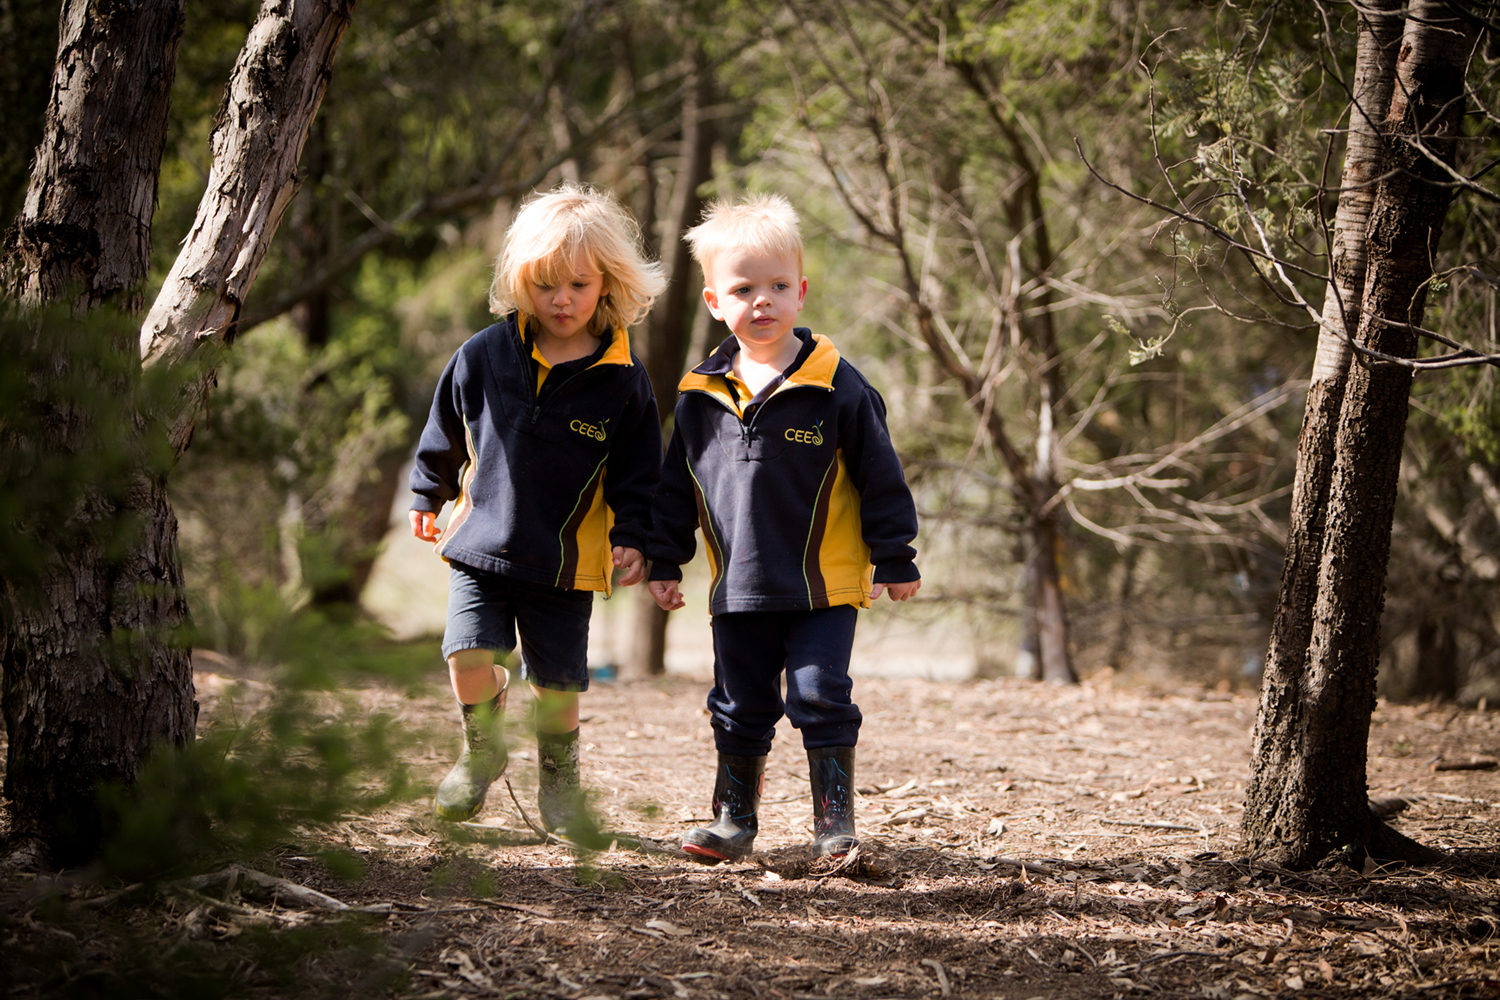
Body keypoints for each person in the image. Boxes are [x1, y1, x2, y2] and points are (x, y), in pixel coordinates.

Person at [645, 193, 921, 863]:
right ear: (715, 302)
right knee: (738, 703)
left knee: (820, 694)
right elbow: (676, 487)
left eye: (776, 287)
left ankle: (835, 823)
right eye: (743, 289)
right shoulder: (698, 397)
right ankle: (733, 819)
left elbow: (881, 475)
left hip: (824, 585)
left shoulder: (837, 387)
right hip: (738, 589)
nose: (761, 301)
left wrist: (896, 556)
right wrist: (662, 559)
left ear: (800, 292)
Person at [409, 184, 666, 830]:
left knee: (557, 688)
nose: (561, 299)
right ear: (521, 279)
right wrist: (427, 490)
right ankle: (481, 750)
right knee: (468, 655)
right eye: (546, 283)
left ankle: (560, 786)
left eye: (578, 285)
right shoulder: (484, 355)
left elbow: (639, 472)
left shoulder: (624, 382)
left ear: (606, 283)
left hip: (565, 563)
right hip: (481, 545)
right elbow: (445, 425)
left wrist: (634, 535)